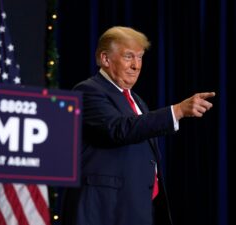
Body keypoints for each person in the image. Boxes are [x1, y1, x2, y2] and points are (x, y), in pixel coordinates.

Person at [61, 26, 215, 225]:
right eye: (128, 56)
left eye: (140, 57)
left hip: (135, 208)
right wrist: (177, 111)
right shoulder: (88, 91)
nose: (136, 65)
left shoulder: (137, 101)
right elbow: (118, 129)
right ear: (106, 59)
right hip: (103, 210)